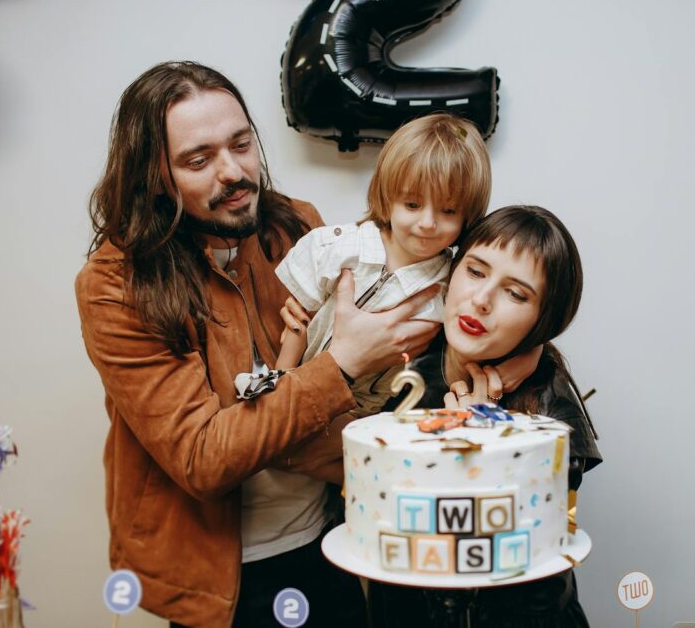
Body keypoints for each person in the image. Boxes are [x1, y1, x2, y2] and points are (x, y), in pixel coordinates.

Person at [75, 61, 440, 628]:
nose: (233, 172)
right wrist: (342, 365)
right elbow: (201, 459)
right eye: (198, 160)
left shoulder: (297, 226)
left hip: (329, 544)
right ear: (153, 175)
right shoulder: (116, 284)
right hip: (223, 582)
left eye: (242, 144)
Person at [368, 205, 603, 627]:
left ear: (543, 320)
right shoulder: (413, 362)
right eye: (475, 271)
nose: (481, 300)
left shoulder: (551, 414)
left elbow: (508, 559)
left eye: (516, 294)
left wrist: (479, 443)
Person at [274, 113, 491, 417]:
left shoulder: (454, 280)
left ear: (467, 215)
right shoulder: (337, 248)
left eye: (448, 210)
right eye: (412, 205)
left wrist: (529, 356)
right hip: (297, 390)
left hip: (369, 414)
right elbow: (296, 323)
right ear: (388, 200)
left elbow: (494, 330)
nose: (428, 223)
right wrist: (277, 388)